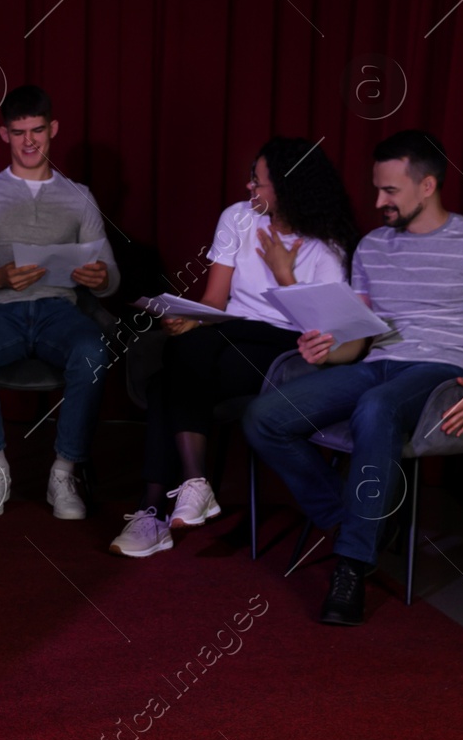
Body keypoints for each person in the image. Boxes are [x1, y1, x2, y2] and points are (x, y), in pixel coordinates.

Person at [243, 130, 463, 625]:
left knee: (377, 406)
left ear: (427, 186)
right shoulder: (373, 247)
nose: (378, 201)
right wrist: (326, 348)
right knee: (265, 415)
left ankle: (351, 565)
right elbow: (359, 340)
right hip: (378, 364)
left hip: (445, 370)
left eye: (391, 191)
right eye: (377, 189)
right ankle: (355, 523)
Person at [109, 137, 360, 557]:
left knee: (167, 379)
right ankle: (191, 486)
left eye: (258, 182)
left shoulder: (327, 244)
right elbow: (215, 300)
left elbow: (324, 331)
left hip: (285, 345)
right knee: (183, 352)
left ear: (286, 188)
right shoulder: (236, 218)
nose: (249, 189)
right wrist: (191, 316)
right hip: (227, 332)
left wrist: (285, 274)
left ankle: (154, 510)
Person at [0, 85, 118, 520]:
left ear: (52, 129)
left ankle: (63, 470)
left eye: (37, 130)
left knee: (93, 351)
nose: (29, 142)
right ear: (4, 135)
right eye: (18, 132)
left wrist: (101, 278)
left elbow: (111, 278)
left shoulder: (78, 196)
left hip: (59, 310)